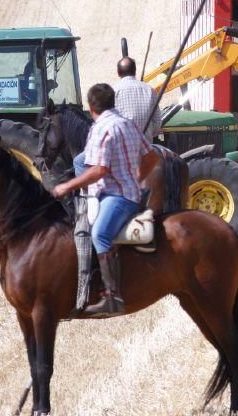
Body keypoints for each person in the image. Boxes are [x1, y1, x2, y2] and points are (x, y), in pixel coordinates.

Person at [52, 83, 157, 317]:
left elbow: (98, 170)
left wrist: (67, 186)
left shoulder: (101, 129)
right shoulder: (127, 124)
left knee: (99, 234)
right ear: (112, 102)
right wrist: (136, 178)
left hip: (116, 196)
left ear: (91, 107)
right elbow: (151, 157)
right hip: (129, 192)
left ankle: (112, 296)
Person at [115, 57, 162, 142]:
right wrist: (148, 134)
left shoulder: (114, 91)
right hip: (146, 149)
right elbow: (157, 122)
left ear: (118, 72)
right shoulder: (149, 90)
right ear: (135, 70)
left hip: (123, 150)